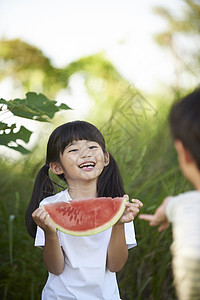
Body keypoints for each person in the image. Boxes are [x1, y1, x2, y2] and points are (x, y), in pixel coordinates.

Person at [25, 120, 143, 300]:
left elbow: (115, 265)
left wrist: (119, 224)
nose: (85, 154)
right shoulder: (49, 207)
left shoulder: (120, 208)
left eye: (92, 147)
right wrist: (50, 233)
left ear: (105, 158)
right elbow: (55, 268)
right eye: (74, 150)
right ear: (57, 167)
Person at [139, 88, 200, 300]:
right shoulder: (184, 206)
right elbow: (175, 204)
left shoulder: (189, 209)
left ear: (183, 152)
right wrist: (168, 207)